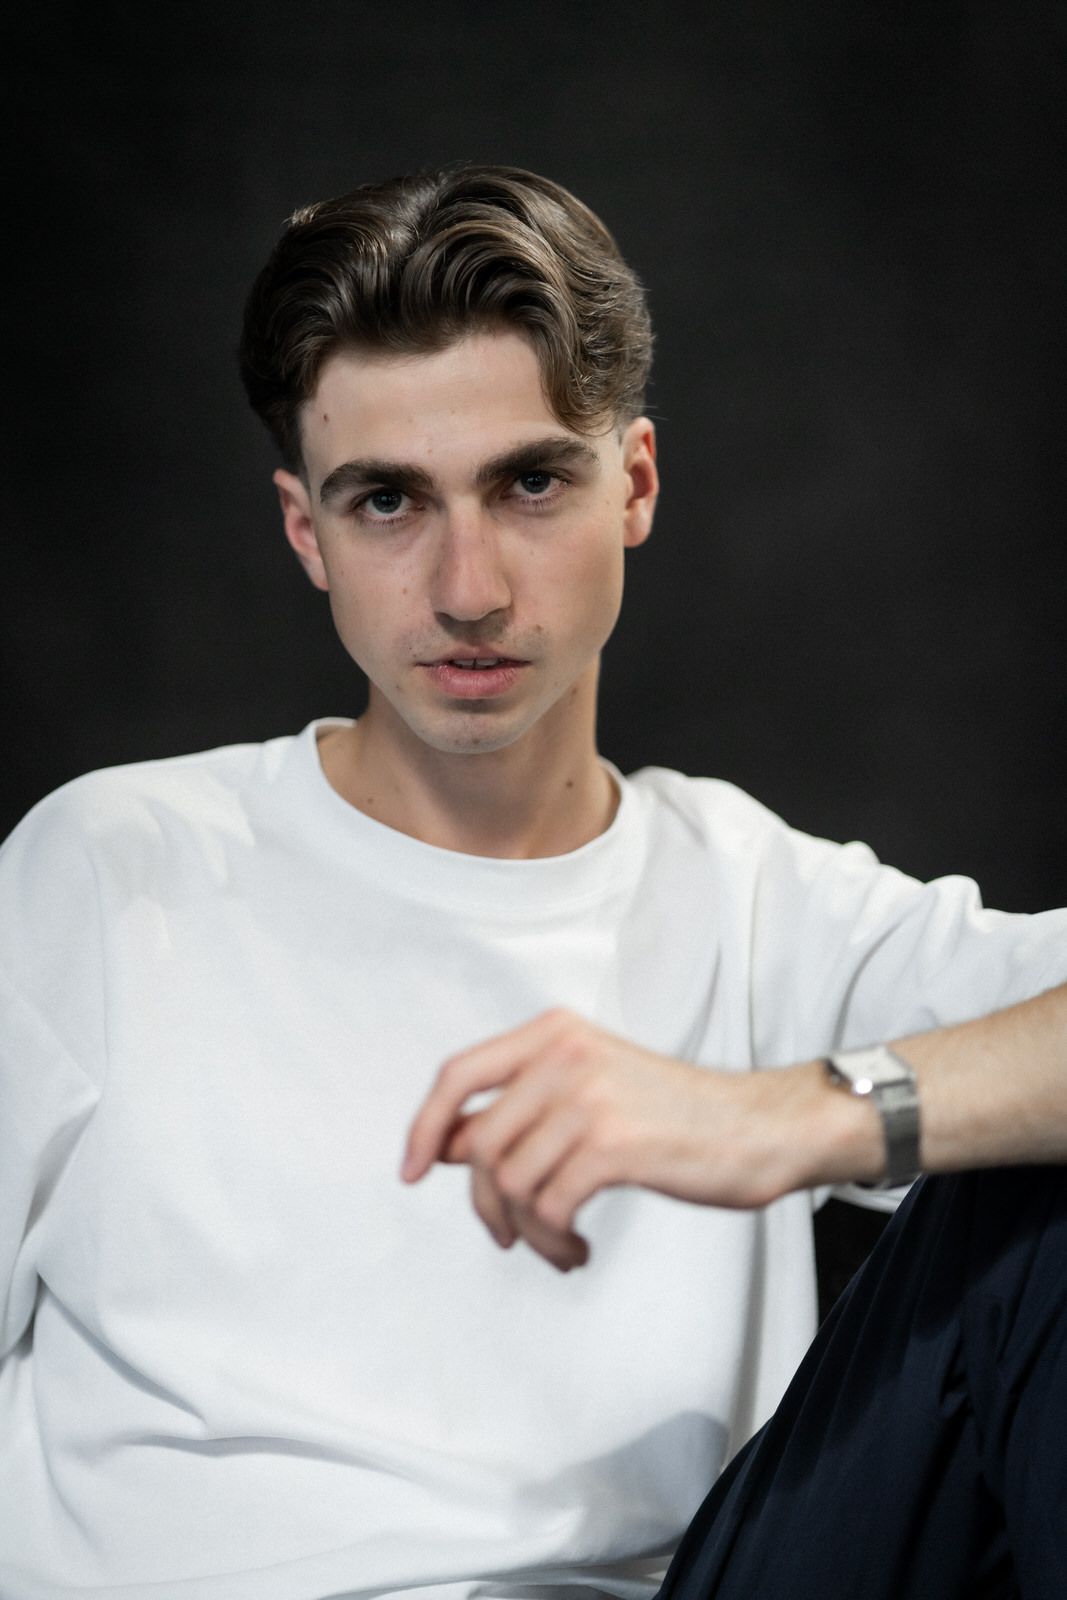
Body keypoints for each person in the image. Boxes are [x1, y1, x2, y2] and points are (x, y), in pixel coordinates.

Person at [0, 163, 1063, 1600]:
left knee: (1041, 1180)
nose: (468, 589)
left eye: (531, 483)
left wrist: (792, 1117)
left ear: (635, 485)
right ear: (307, 532)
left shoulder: (758, 897)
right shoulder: (104, 869)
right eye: (388, 501)